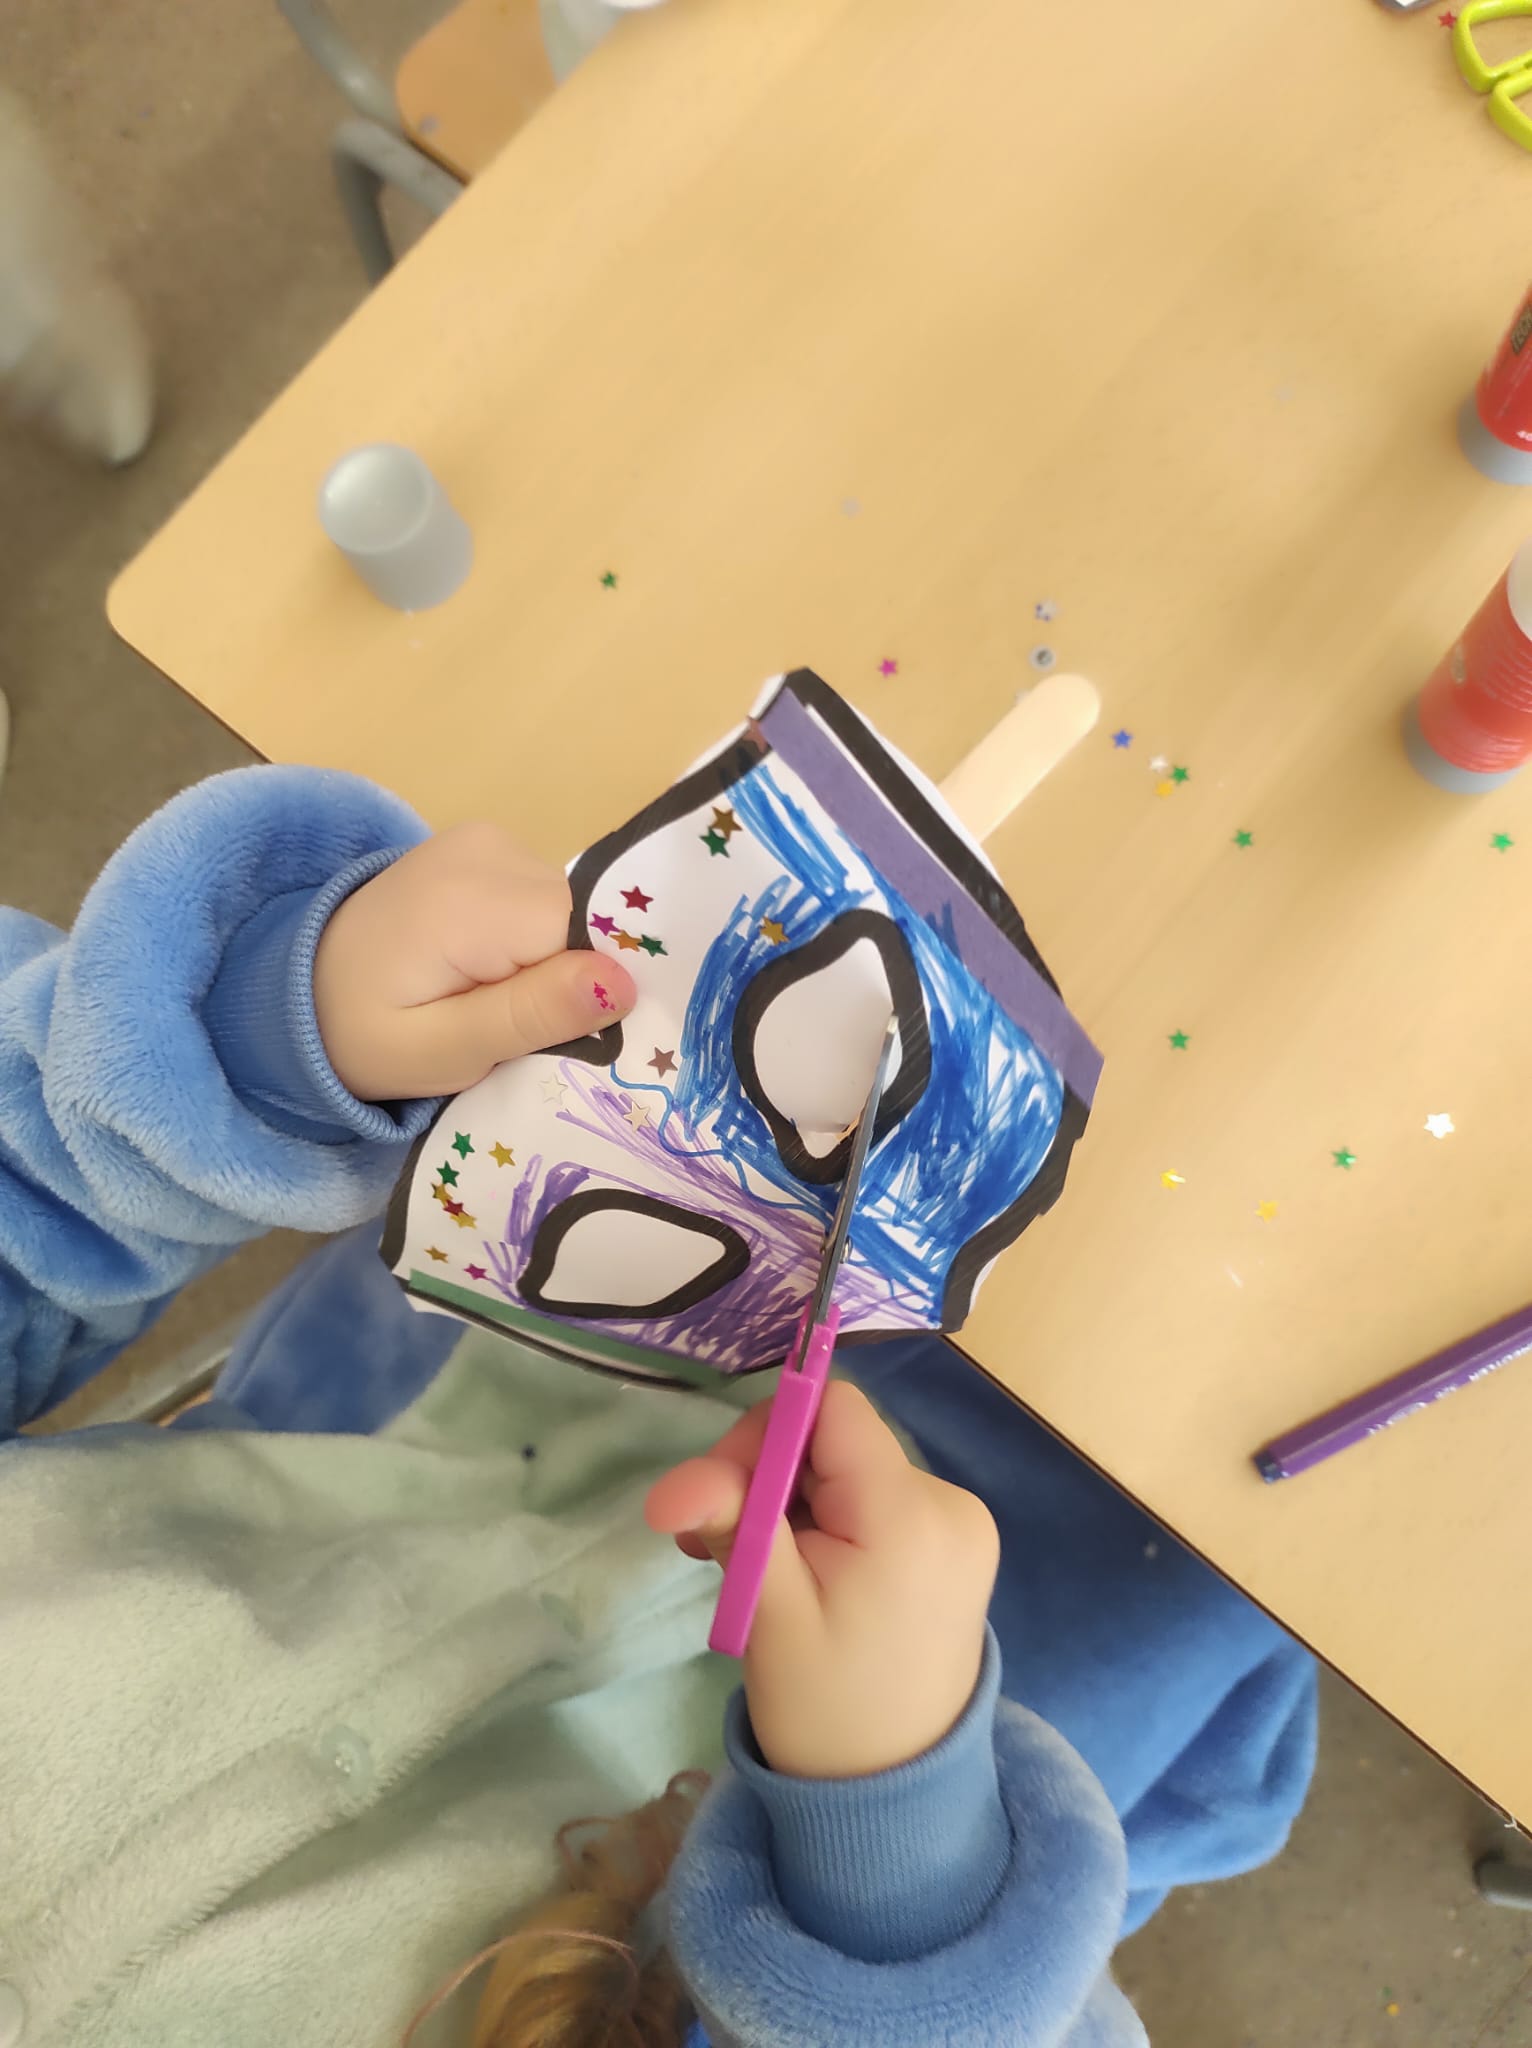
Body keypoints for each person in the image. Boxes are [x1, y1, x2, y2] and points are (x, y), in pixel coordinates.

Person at [0, 766, 1317, 2048]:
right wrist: (898, 1860)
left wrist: (251, 1046)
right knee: (1240, 1517)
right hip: (934, 1768)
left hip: (432, 1388)